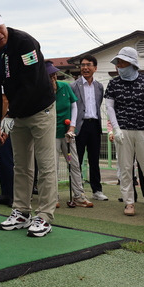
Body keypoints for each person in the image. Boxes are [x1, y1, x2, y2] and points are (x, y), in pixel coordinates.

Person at [0, 5, 57, 237]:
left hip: (41, 108)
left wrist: (8, 118)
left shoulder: (25, 43)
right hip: (16, 113)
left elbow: (30, 86)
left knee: (46, 164)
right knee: (21, 164)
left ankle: (45, 216)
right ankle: (21, 211)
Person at [104, 47, 144, 217]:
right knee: (125, 168)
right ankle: (129, 202)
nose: (119, 66)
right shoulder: (114, 83)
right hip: (122, 130)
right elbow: (109, 107)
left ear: (132, 63)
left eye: (122, 62)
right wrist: (115, 128)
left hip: (143, 129)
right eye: (118, 63)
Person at [47, 61, 94, 208]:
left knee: (74, 164)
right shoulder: (42, 92)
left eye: (54, 74)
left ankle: (79, 196)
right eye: (49, 75)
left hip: (68, 133)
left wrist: (72, 127)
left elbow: (74, 107)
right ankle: (52, 197)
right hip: (50, 135)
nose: (53, 78)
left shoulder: (65, 87)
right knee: (51, 167)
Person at [70, 54, 108, 201]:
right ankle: (77, 191)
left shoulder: (99, 86)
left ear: (95, 68)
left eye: (88, 65)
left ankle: (97, 190)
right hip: (79, 126)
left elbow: (98, 105)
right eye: (83, 65)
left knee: (94, 160)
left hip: (95, 125)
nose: (85, 68)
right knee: (76, 160)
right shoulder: (73, 86)